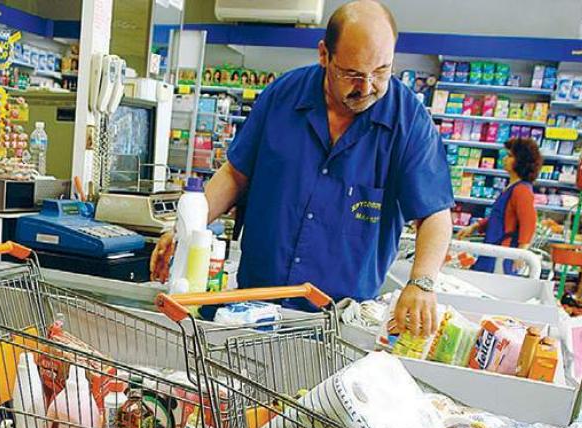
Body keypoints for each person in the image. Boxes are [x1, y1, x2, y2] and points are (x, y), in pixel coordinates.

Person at [150, 0, 454, 337]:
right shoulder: (283, 96)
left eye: (382, 71)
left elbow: (435, 215)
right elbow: (235, 174)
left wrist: (422, 282)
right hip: (252, 310)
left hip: (337, 325)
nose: (368, 87)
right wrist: (186, 230)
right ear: (324, 54)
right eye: (353, 74)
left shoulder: (408, 122)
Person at [456, 137, 542, 274]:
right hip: (493, 248)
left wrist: (521, 252)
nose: (505, 159)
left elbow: (529, 222)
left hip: (503, 253)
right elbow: (501, 217)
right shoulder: (512, 187)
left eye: (510, 156)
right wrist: (476, 226)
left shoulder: (522, 191)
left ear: (521, 161)